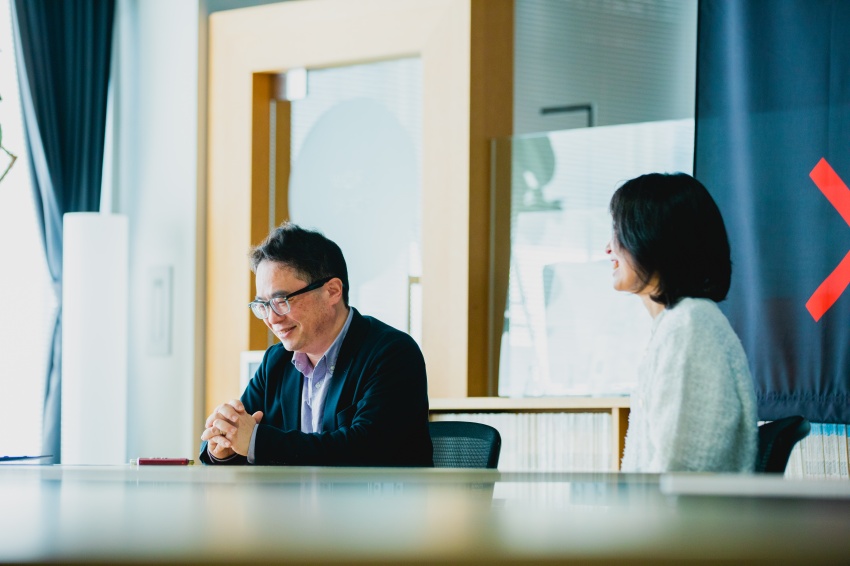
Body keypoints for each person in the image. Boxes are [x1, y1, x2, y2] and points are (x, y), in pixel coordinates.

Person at [200, 222, 433, 466]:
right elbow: (243, 437)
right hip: (292, 504)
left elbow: (366, 449)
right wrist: (223, 447)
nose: (271, 318)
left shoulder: (393, 353)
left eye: (281, 300)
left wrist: (255, 441)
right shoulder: (275, 362)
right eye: (263, 305)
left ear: (332, 291)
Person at [606, 172, 758, 473]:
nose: (608, 248)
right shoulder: (679, 325)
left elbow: (683, 470)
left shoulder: (690, 328)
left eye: (618, 232)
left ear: (651, 238)